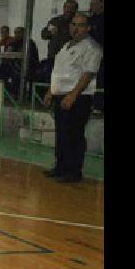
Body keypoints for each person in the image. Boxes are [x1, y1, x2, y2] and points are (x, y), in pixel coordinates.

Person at [42, 14, 102, 183]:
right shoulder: (66, 45)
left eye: (81, 25)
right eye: (73, 25)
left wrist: (73, 95)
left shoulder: (91, 47)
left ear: (88, 28)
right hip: (60, 94)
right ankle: (60, 167)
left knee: (74, 134)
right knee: (61, 133)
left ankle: (73, 171)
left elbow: (87, 74)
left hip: (78, 96)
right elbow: (58, 72)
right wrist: (50, 92)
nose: (76, 28)